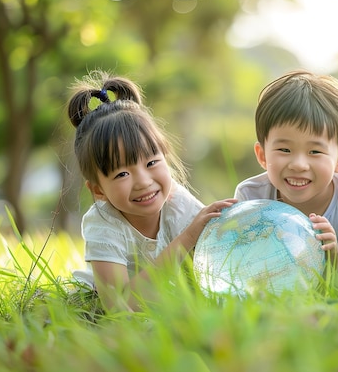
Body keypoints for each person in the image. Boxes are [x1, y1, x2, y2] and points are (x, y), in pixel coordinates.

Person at [68, 70, 236, 311]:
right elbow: (118, 307)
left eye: (151, 163)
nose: (143, 181)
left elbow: (214, 271)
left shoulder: (178, 203)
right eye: (122, 174)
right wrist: (186, 239)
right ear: (98, 190)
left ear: (165, 156)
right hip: (98, 306)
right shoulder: (103, 223)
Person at [234, 70, 338, 272]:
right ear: (262, 155)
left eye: (315, 151)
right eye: (284, 150)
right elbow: (238, 267)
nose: (298, 164)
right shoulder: (251, 197)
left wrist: (335, 255)